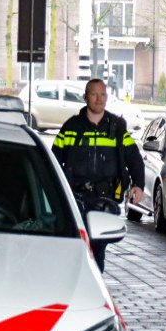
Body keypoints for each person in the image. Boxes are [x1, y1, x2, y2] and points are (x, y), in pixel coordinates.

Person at [52, 78, 144, 270]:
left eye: (102, 94)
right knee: (77, 246)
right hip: (75, 198)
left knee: (98, 249)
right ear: (86, 97)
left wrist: (139, 185)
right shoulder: (72, 127)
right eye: (94, 94)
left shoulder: (117, 128)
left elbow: (134, 158)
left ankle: (95, 284)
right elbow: (53, 159)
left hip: (105, 199)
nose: (99, 99)